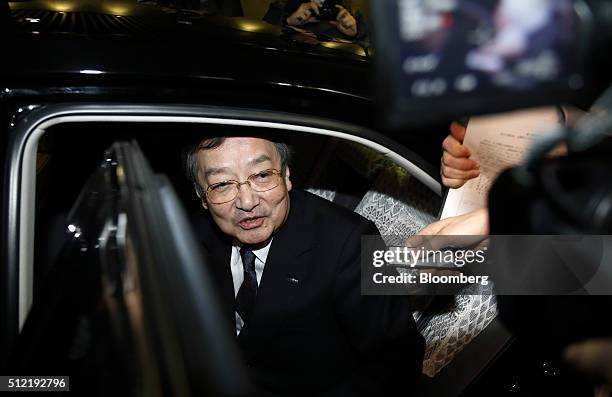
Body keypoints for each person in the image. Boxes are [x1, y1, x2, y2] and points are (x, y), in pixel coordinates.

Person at [184, 135, 424, 396]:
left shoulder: (352, 241)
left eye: (263, 175)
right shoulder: (190, 236)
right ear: (202, 197)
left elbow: (398, 363)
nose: (247, 202)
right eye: (222, 184)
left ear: (287, 176)